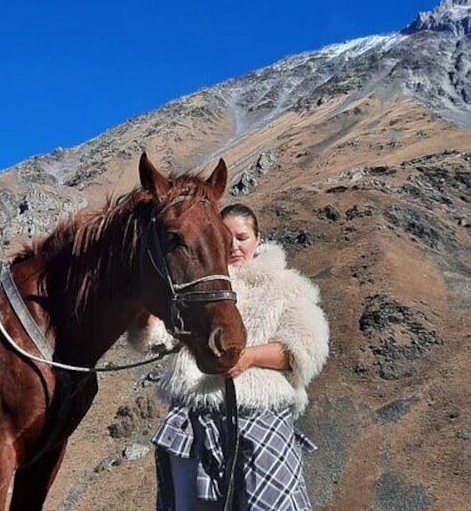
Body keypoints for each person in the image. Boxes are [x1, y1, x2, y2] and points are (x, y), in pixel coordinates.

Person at [129, 204, 330, 510]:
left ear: (257, 239)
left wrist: (249, 357)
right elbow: (160, 339)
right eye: (226, 237)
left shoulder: (288, 287)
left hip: (261, 418)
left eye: (242, 237)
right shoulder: (196, 287)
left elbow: (304, 348)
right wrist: (145, 309)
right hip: (197, 419)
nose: (234, 246)